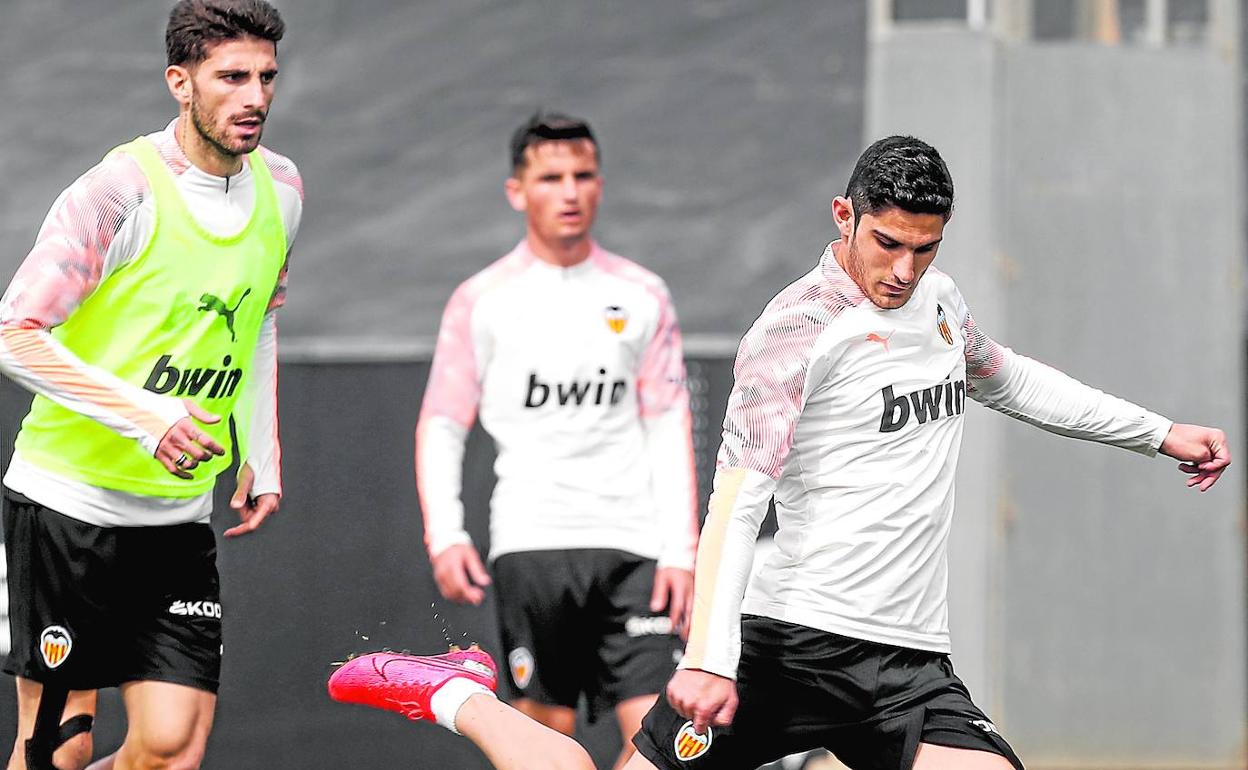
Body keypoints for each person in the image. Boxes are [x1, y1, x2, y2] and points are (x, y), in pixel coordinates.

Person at [333, 135, 1230, 770]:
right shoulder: (794, 332)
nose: (903, 271)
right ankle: (459, 695)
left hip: (908, 662)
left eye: (925, 249)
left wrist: (1157, 433)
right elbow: (737, 503)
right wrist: (712, 655)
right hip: (786, 645)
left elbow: (1010, 379)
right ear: (844, 215)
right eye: (886, 243)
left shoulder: (941, 304)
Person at [0, 1, 302, 768]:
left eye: (266, 76)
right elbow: (13, 334)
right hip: (68, 508)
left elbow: (258, 317)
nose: (255, 96)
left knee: (170, 749)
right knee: (55, 753)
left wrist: (259, 451)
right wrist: (149, 419)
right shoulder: (118, 192)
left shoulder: (284, 189)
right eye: (231, 77)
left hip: (175, 522)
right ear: (181, 81)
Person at [414, 111, 699, 768]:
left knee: (666, 746)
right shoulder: (481, 300)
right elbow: (442, 422)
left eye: (583, 175)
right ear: (518, 191)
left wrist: (681, 551)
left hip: (635, 549)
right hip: (533, 544)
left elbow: (668, 424)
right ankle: (461, 698)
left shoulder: (643, 294)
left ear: (600, 183)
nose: (569, 192)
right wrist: (447, 533)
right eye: (550, 178)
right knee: (542, 741)